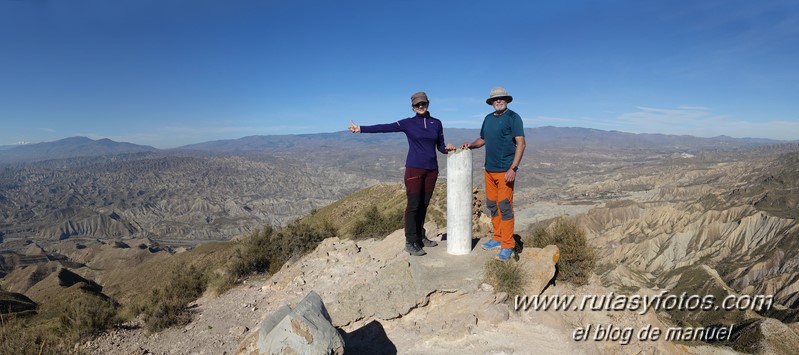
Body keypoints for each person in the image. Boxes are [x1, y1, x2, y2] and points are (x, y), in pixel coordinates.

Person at [349, 92, 455, 256]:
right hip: (414, 169)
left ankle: (420, 236)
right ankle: (410, 241)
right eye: (417, 104)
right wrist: (361, 129)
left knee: (423, 205)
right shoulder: (408, 123)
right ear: (413, 107)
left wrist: (447, 148)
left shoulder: (437, 123)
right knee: (413, 206)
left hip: (432, 170)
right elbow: (385, 127)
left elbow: (440, 146)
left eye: (423, 103)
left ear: (428, 103)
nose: (421, 107)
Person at [461, 87, 526, 261]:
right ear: (491, 102)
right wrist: (472, 145)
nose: (498, 101)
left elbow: (521, 143)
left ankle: (508, 245)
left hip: (505, 171)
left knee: (505, 207)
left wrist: (513, 168)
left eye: (501, 98)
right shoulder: (488, 119)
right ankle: (497, 237)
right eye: (495, 99)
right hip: (489, 170)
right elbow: (483, 139)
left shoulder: (513, 117)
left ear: (506, 100)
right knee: (492, 205)